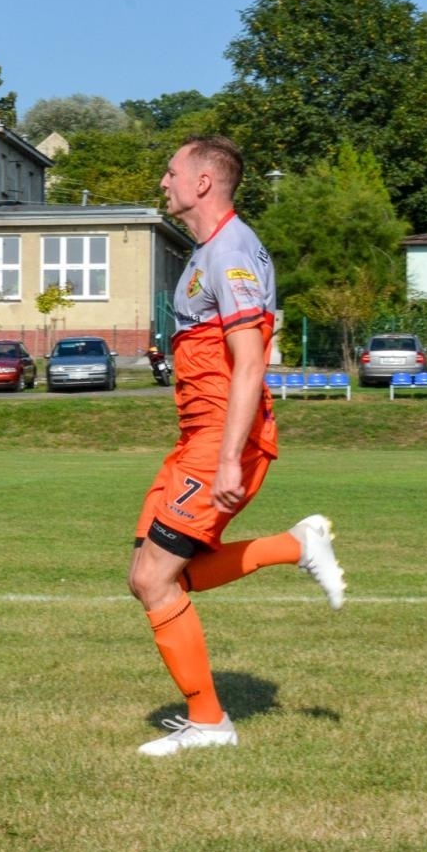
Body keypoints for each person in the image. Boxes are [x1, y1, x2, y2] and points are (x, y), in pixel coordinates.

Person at [129, 135, 345, 757]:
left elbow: (250, 364)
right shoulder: (209, 251)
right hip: (196, 439)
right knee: (154, 574)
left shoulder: (232, 251)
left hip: (223, 442)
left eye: (171, 173)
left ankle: (210, 723)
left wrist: (227, 457)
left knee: (155, 578)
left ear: (202, 182)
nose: (163, 182)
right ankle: (296, 544)